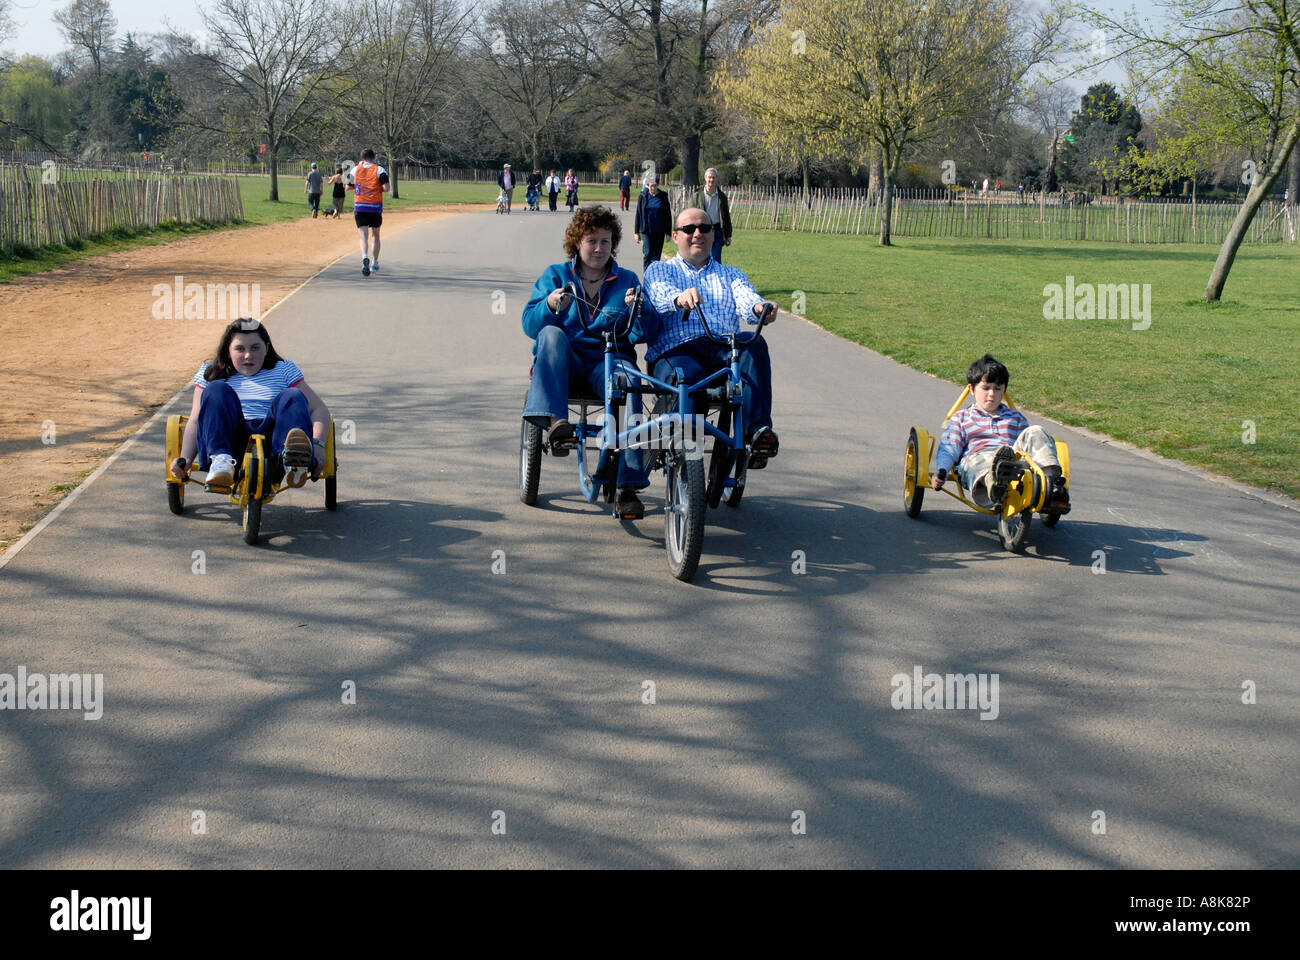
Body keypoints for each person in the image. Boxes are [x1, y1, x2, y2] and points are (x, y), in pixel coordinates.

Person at [522, 205, 652, 519]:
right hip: (564, 363)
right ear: (577, 243)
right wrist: (551, 304)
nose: (598, 248)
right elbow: (529, 324)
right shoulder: (557, 275)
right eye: (591, 241)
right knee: (551, 334)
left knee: (630, 381)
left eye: (605, 241)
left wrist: (640, 310)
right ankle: (556, 424)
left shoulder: (627, 280)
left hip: (608, 361)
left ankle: (628, 485)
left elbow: (640, 334)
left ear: (613, 245)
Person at [643, 207, 780, 468]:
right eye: (689, 229)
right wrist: (678, 298)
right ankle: (681, 449)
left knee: (753, 343)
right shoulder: (660, 270)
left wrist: (760, 308)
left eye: (704, 228)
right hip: (678, 350)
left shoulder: (732, 275)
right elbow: (660, 294)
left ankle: (756, 433)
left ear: (713, 234)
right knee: (689, 379)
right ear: (674, 236)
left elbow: (747, 299)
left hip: (722, 350)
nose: (697, 234)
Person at [169, 318, 331, 490]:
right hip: (230, 441)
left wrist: (317, 444)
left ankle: (293, 462)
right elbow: (195, 419)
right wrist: (185, 459)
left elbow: (319, 409)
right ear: (228, 351)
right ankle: (221, 461)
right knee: (217, 389)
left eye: (255, 348)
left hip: (275, 442)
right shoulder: (210, 373)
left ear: (266, 348)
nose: (248, 355)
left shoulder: (283, 369)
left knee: (293, 395)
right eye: (240, 349)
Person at [930, 354, 1070, 512]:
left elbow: (1028, 446)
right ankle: (994, 485)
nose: (992, 394)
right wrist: (942, 471)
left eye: (998, 389)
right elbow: (950, 447)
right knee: (983, 463)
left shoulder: (1015, 418)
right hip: (977, 458)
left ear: (1004, 390)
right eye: (986, 388)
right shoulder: (962, 418)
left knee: (1036, 431)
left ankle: (1052, 484)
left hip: (1013, 459)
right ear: (971, 389)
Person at [349, 148, 389, 276]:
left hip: (360, 206)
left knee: (363, 236)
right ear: (373, 158)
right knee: (375, 236)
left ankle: (364, 257)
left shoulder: (355, 169)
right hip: (375, 207)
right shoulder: (380, 169)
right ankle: (375, 263)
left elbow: (348, 186)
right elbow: (386, 188)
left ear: (362, 158)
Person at [689, 167, 733, 264]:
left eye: (713, 177)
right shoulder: (697, 196)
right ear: (705, 178)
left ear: (716, 179)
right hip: (702, 231)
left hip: (717, 231)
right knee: (702, 258)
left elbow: (726, 217)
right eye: (709, 177)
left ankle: (716, 278)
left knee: (716, 259)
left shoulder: (722, 197)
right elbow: (690, 215)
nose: (711, 180)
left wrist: (728, 235)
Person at [633, 174, 672, 270]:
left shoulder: (663, 197)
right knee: (648, 252)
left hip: (659, 231)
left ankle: (654, 277)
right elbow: (638, 214)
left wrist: (668, 232)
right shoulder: (643, 196)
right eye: (651, 186)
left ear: (658, 185)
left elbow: (668, 215)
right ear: (647, 185)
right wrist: (636, 232)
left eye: (655, 185)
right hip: (646, 230)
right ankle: (647, 275)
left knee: (656, 257)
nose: (653, 188)